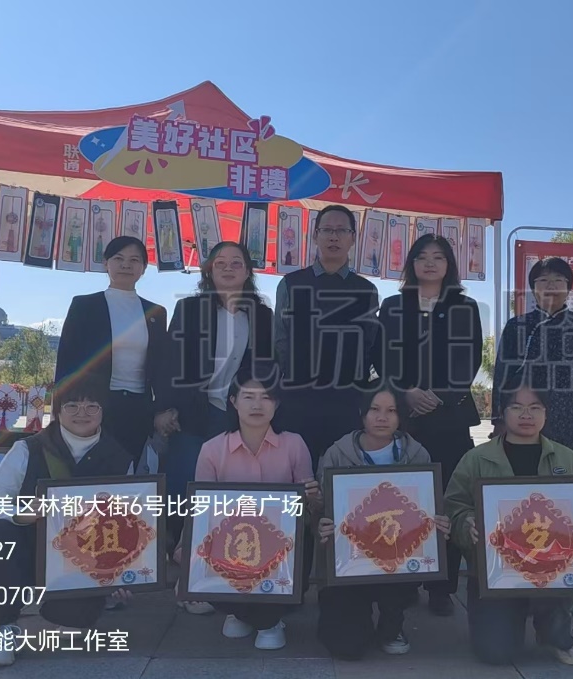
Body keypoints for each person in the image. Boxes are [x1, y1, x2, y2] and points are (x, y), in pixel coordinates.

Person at [0, 377, 135, 668]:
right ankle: (0, 628)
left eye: (92, 406)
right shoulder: (27, 449)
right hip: (29, 546)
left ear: (103, 411)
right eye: (72, 406)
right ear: (57, 410)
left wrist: (124, 574)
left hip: (84, 558)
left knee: (75, 618)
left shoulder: (120, 458)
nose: (82, 413)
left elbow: (130, 522)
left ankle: (88, 603)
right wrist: (21, 514)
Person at [444, 383, 573, 666]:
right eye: (517, 407)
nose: (526, 415)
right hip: (494, 573)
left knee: (555, 572)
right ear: (502, 412)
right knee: (496, 653)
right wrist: (466, 523)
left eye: (535, 407)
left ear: (546, 413)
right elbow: (453, 505)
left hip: (552, 570)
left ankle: (554, 629)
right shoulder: (476, 460)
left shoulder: (568, 460)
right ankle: (506, 617)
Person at [156, 241, 273, 616]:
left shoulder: (261, 314)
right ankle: (185, 572)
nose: (227, 268)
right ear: (208, 270)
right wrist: (165, 408)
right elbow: (171, 362)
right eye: (220, 262)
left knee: (223, 495)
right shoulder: (190, 309)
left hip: (233, 414)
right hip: (193, 411)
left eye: (236, 262)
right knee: (185, 489)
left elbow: (265, 366)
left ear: (248, 271)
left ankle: (217, 568)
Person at [377, 234, 481, 615]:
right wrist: (405, 393)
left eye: (439, 257)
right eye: (422, 257)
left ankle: (442, 587)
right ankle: (403, 581)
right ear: (412, 264)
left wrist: (436, 395)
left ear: (449, 264)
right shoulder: (393, 306)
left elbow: (470, 359)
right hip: (402, 418)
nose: (430, 263)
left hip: (448, 417)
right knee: (403, 501)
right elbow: (381, 357)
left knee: (447, 499)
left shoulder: (465, 307)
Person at [184, 364, 321, 650]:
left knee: (293, 555)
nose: (257, 405)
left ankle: (269, 620)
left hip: (281, 549)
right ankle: (238, 611)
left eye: (266, 397)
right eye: (248, 396)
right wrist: (186, 554)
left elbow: (308, 512)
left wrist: (312, 497)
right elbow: (201, 512)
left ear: (277, 404)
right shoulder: (212, 449)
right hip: (231, 546)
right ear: (233, 402)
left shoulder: (294, 444)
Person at [312, 387, 451, 659]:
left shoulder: (416, 454)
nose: (382, 417)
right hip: (349, 559)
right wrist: (320, 523)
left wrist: (438, 525)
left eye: (391, 411)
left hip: (396, 555)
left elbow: (428, 507)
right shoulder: (337, 453)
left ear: (401, 416)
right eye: (375, 409)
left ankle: (392, 625)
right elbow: (322, 509)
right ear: (362, 414)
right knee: (347, 647)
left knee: (402, 561)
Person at [273, 204, 381, 470]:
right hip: (298, 400)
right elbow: (280, 341)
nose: (334, 237)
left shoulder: (366, 290)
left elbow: (369, 345)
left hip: (347, 401)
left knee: (343, 480)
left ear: (353, 238)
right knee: (298, 479)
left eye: (341, 231)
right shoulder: (291, 283)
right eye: (327, 230)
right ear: (315, 236)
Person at [55, 236, 168, 466]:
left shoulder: (156, 312)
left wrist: (162, 408)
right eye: (119, 258)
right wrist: (62, 406)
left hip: (138, 406)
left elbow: (161, 366)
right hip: (95, 404)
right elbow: (66, 358)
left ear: (143, 268)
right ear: (106, 263)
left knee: (128, 470)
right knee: (91, 469)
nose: (126, 265)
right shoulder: (85, 306)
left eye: (134, 260)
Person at [491, 257, 573, 468]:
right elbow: (502, 375)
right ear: (533, 288)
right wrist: (499, 420)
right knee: (526, 473)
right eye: (544, 280)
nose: (551, 285)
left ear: (568, 288)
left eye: (558, 280)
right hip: (525, 418)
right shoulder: (516, 326)